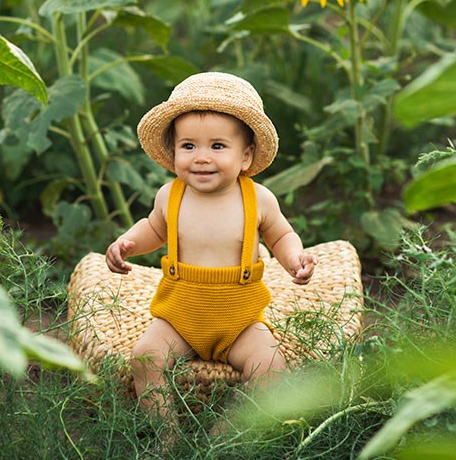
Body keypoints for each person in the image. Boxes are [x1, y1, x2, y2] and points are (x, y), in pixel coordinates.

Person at [105, 71, 318, 420]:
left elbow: (280, 235)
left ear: (246, 156)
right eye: (189, 146)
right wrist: (128, 242)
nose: (201, 157)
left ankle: (232, 433)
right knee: (145, 356)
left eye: (217, 146)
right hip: (179, 317)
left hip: (240, 322)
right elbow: (154, 229)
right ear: (174, 151)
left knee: (271, 366)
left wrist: (295, 258)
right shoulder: (169, 196)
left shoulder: (258, 199)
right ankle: (165, 435)